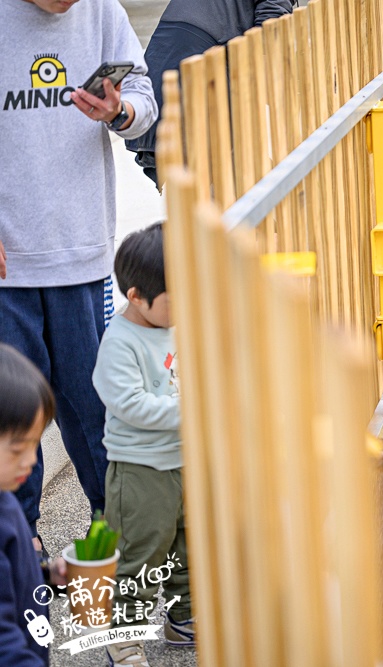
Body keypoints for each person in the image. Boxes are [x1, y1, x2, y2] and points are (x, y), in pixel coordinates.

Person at [0, 0, 157, 561]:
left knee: (94, 413)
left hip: (83, 253)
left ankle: (111, 539)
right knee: (14, 420)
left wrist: (119, 112)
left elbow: (144, 100)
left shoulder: (101, 12)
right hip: (7, 268)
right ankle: (20, 548)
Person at [92, 223, 190, 667]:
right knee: (140, 553)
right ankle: (124, 635)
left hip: (183, 460)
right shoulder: (120, 343)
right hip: (141, 470)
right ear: (136, 296)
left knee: (189, 545)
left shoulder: (174, 325)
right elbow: (130, 404)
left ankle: (184, 616)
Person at [126, 0, 294, 185]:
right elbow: (270, 28)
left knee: (206, 178)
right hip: (202, 52)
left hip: (175, 43)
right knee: (220, 178)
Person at [0, 344, 65, 667]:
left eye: (35, 444)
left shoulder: (6, 499)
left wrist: (47, 576)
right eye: (17, 449)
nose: (30, 461)